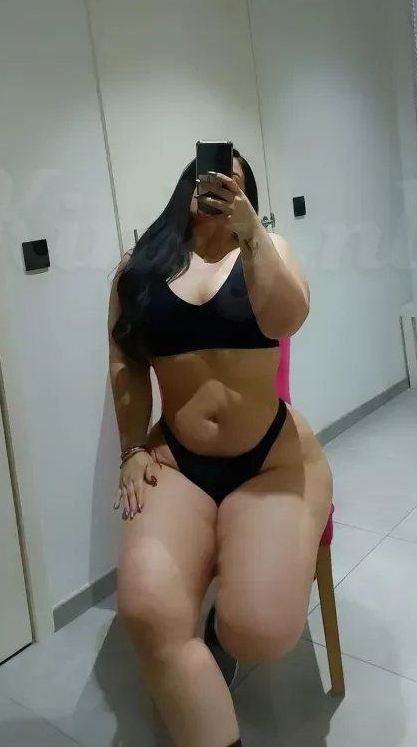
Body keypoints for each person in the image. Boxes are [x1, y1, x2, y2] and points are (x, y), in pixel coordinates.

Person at [108, 149, 332, 747]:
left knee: (260, 630)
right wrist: (131, 449)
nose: (217, 189)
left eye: (233, 183)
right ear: (186, 185)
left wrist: (252, 232)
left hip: (271, 458)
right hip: (176, 460)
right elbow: (125, 364)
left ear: (247, 195)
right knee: (148, 611)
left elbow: (287, 320)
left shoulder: (267, 249)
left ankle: (218, 632)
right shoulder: (139, 267)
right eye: (207, 178)